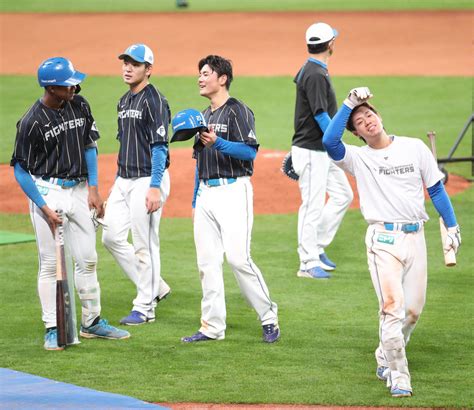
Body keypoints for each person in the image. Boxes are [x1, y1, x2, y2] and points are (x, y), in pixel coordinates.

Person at [322, 87, 462, 397]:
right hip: (383, 241)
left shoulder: (414, 148)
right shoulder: (357, 158)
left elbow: (436, 190)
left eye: (369, 114)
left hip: (417, 239)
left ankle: (386, 353)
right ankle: (400, 376)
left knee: (413, 312)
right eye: (359, 121)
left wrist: (452, 226)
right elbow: (329, 141)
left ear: (380, 117)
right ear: (357, 133)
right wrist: (350, 103)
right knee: (392, 309)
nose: (367, 120)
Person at [11, 57, 130, 351]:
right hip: (47, 190)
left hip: (78, 190)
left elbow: (90, 146)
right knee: (51, 264)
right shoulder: (31, 122)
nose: (75, 86)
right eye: (68, 84)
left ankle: (92, 322)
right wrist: (43, 207)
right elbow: (20, 169)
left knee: (88, 258)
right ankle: (53, 326)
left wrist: (93, 188)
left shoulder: (80, 104)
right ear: (51, 87)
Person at [180, 55, 280, 343]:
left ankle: (268, 315)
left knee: (238, 258)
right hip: (206, 194)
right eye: (199, 73)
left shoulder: (238, 111)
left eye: (205, 73)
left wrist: (219, 143)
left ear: (222, 78)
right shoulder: (203, 117)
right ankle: (212, 327)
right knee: (207, 263)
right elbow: (200, 160)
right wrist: (195, 199)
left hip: (234, 190)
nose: (200, 78)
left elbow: (250, 153)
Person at [102, 44, 171, 326]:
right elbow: (126, 145)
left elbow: (159, 148)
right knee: (111, 237)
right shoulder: (123, 101)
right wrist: (115, 188)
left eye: (135, 64)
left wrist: (154, 186)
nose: (128, 68)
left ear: (148, 69)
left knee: (145, 243)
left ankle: (145, 307)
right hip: (124, 178)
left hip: (147, 178)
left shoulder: (154, 101)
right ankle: (156, 286)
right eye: (125, 63)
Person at [291, 22, 353, 280]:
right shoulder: (315, 73)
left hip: (318, 148)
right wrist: (334, 142)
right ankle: (307, 263)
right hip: (312, 149)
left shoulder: (313, 69)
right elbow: (320, 114)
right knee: (312, 205)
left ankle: (316, 246)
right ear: (330, 45)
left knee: (343, 195)